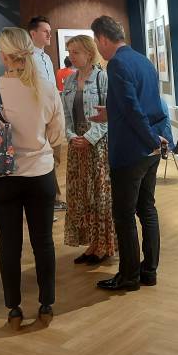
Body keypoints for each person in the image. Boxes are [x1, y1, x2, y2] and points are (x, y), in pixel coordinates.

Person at [0, 27, 64, 329]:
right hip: (40, 174)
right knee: (43, 242)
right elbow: (57, 136)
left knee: (9, 245)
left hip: (4, 176)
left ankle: (13, 308)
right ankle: (46, 303)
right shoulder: (47, 88)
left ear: (3, 55)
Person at [89, 15, 172, 292]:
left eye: (96, 42)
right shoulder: (143, 61)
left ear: (103, 39)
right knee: (147, 209)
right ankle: (149, 272)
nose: (98, 48)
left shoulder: (117, 63)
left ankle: (129, 276)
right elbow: (143, 104)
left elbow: (134, 110)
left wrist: (150, 140)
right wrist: (111, 112)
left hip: (132, 151)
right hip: (150, 149)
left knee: (124, 216)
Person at [61, 35, 115, 264]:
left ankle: (102, 245)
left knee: (98, 195)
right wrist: (72, 136)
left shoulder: (102, 78)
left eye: (76, 52)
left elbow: (109, 114)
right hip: (77, 146)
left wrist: (89, 138)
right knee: (80, 195)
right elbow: (65, 115)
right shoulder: (70, 81)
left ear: (89, 53)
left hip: (97, 145)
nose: (71, 56)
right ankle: (90, 244)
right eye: (70, 52)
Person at [28, 15, 66, 212]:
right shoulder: (27, 59)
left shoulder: (47, 58)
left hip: (53, 115)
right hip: (38, 116)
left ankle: (54, 198)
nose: (49, 34)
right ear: (33, 33)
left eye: (50, 31)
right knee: (43, 159)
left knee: (54, 158)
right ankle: (48, 200)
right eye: (45, 31)